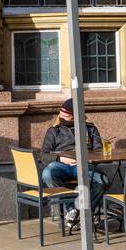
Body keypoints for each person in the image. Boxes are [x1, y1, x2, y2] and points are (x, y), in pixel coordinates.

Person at [40, 99, 105, 233]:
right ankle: (71, 209)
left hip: (85, 166)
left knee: (103, 180)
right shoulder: (54, 131)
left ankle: (82, 213)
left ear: (76, 115)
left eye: (66, 113)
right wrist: (60, 158)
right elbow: (43, 155)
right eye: (61, 112)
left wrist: (84, 159)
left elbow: (99, 152)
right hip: (61, 166)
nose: (61, 115)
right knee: (47, 173)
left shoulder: (90, 129)